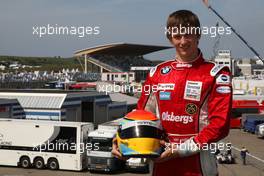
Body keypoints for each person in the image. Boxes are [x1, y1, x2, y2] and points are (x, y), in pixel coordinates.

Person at [112, 10, 232, 176]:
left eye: (188, 35)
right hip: (161, 163)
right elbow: (140, 116)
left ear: (198, 35)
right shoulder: (157, 73)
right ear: (170, 38)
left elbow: (220, 126)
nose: (183, 41)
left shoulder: (217, 74)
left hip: (199, 166)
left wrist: (179, 151)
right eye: (177, 36)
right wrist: (120, 140)